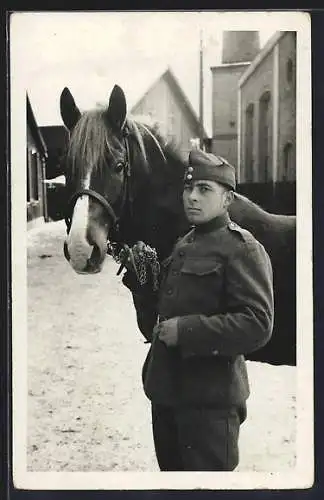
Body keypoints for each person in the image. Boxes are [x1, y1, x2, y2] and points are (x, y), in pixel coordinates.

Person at [122, 148, 274, 471]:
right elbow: (156, 322)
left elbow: (258, 323)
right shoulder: (182, 246)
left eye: (204, 190)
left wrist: (186, 331)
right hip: (166, 396)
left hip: (210, 406)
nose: (192, 197)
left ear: (227, 199)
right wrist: (142, 287)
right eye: (188, 189)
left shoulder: (243, 248)